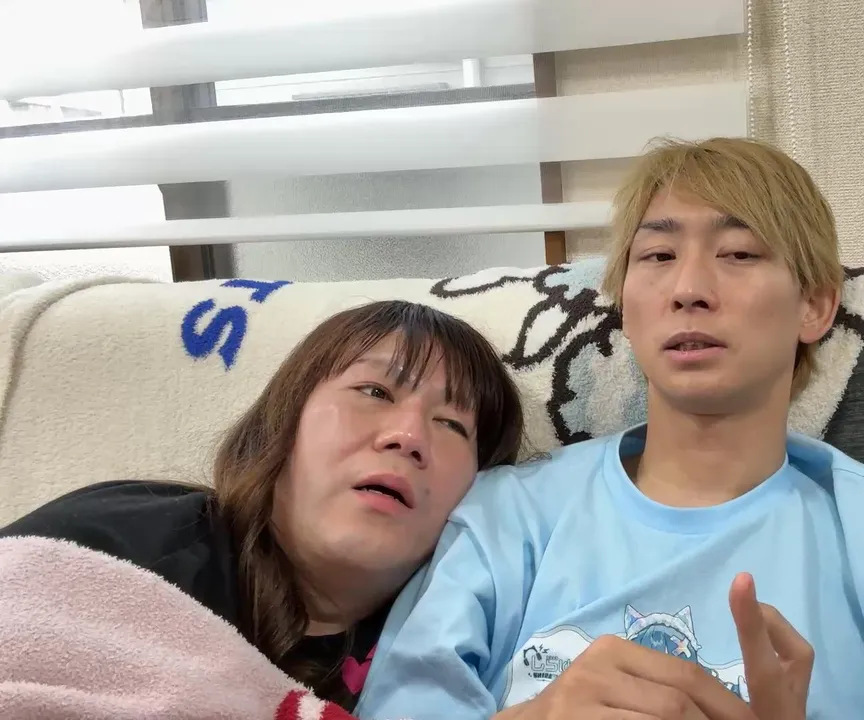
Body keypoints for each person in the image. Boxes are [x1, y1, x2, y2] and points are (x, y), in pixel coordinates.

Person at [355, 137, 864, 720]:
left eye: (738, 254)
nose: (689, 289)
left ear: (815, 307)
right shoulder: (504, 522)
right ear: (625, 308)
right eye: (657, 256)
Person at [0, 300, 524, 712]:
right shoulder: (125, 538)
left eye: (452, 424)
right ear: (285, 420)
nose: (408, 436)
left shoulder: (466, 648)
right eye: (374, 391)